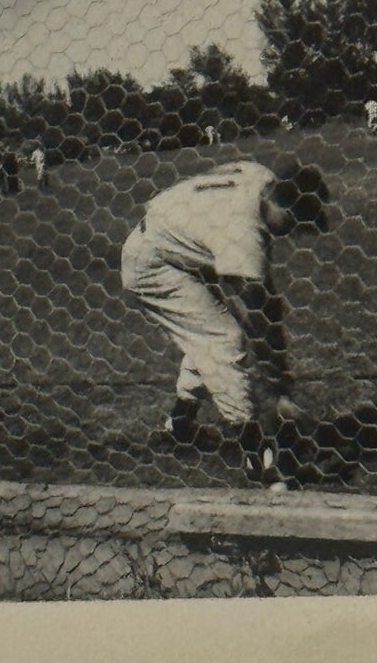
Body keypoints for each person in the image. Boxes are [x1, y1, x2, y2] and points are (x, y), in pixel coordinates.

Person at [121, 158, 331, 490]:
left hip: (172, 244)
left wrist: (279, 378)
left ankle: (180, 424)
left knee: (207, 333)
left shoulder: (262, 176)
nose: (291, 233)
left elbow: (264, 300)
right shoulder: (242, 230)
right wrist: (279, 392)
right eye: (291, 223)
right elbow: (258, 314)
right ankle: (255, 452)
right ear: (279, 207)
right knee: (224, 339)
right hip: (153, 266)